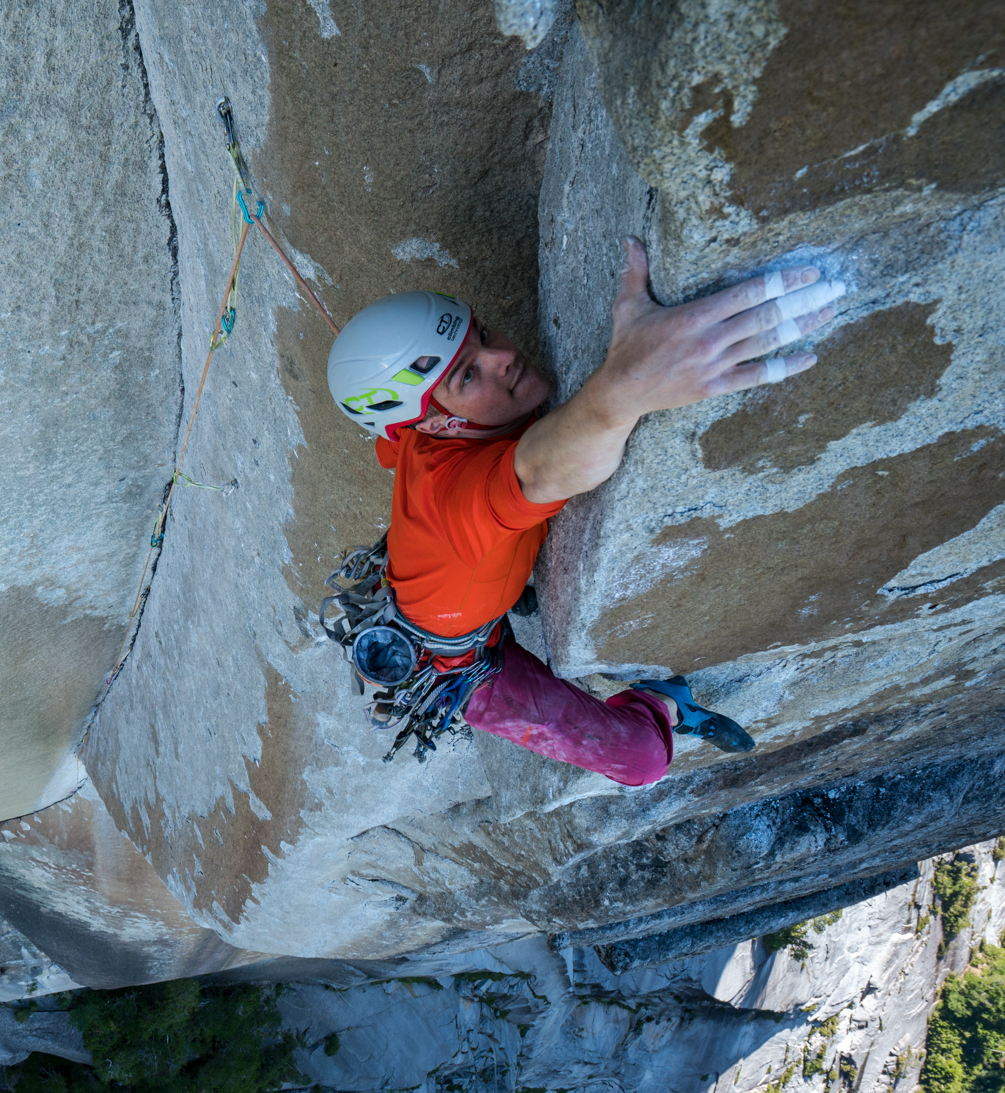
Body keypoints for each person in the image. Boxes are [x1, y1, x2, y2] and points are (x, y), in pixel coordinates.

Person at [324, 238, 843, 785]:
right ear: (431, 426)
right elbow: (544, 470)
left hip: (441, 599)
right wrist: (627, 386)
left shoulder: (413, 435)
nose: (502, 356)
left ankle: (507, 586)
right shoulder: (458, 499)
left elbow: (402, 446)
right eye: (468, 376)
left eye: (480, 334)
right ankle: (667, 705)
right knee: (643, 759)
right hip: (452, 664)